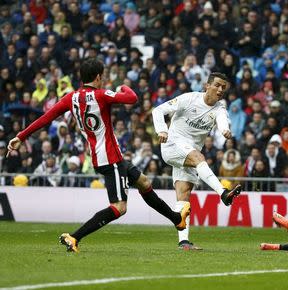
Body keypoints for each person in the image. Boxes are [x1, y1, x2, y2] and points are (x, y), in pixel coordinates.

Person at [7, 59, 190, 253]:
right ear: (98, 77)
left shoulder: (71, 98)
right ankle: (74, 237)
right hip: (110, 159)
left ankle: (177, 219)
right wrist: (123, 87)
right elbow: (132, 98)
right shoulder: (101, 95)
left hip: (105, 157)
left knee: (143, 182)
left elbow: (46, 118)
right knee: (119, 207)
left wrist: (20, 136)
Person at [152, 72, 242, 250]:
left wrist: (225, 130)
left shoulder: (220, 109)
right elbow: (158, 110)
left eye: (223, 87)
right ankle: (223, 193)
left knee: (184, 194)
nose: (220, 89)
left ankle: (183, 241)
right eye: (217, 85)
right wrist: (161, 130)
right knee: (199, 158)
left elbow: (223, 121)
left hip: (188, 153)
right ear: (206, 86)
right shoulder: (189, 98)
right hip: (172, 144)